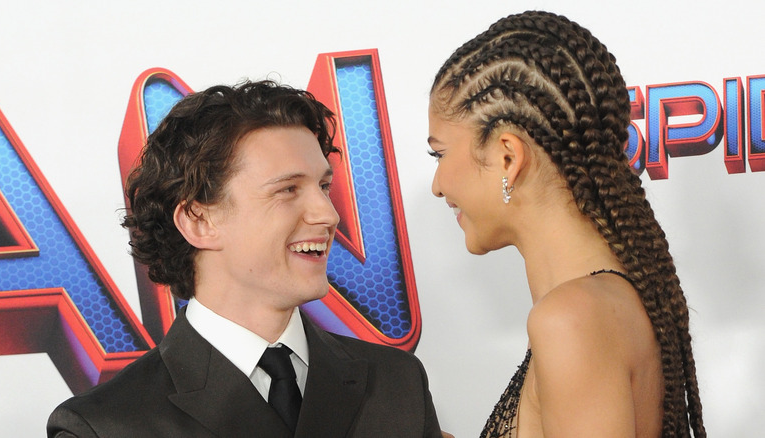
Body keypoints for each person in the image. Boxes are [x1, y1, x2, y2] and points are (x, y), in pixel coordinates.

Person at [47, 80, 443, 437]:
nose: (327, 213)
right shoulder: (105, 427)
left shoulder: (396, 382)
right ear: (199, 221)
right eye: (288, 189)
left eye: (324, 185)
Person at [427, 10, 705, 438]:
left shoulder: (570, 319)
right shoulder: (610, 298)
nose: (437, 185)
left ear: (507, 156)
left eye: (439, 154)